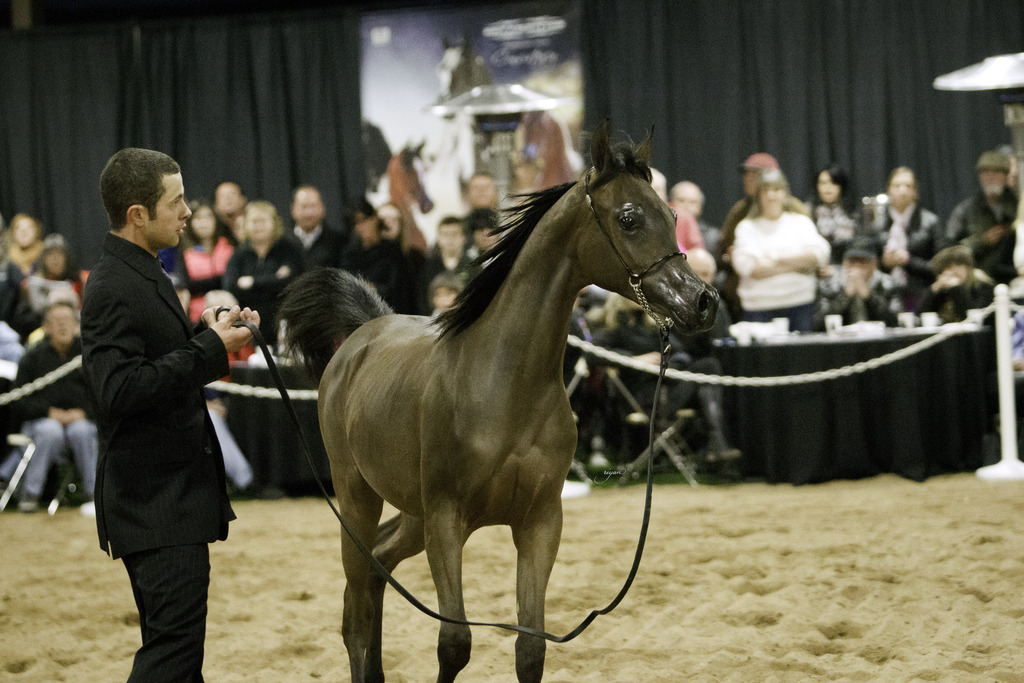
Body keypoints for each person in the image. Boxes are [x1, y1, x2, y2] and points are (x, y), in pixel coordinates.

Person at [82, 147, 258, 681]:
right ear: (138, 214)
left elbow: (154, 363)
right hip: (153, 504)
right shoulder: (113, 285)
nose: (187, 212)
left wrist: (210, 333)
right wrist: (210, 350)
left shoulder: (142, 270)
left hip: (168, 499)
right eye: (176, 201)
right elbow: (117, 390)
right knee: (171, 657)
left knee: (179, 655)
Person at [8, 299, 97, 515]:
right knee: (50, 431)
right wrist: (48, 412)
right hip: (43, 422)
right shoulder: (32, 358)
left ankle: (94, 496)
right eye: (56, 321)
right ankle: (30, 494)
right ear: (46, 327)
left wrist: (83, 412)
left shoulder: (90, 356)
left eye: (67, 320)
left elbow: (102, 394)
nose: (62, 325)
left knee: (84, 431)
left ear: (77, 325)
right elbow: (19, 400)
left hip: (81, 420)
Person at [731, 169, 831, 332]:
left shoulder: (800, 222)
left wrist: (774, 256)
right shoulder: (746, 227)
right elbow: (748, 267)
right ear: (759, 195)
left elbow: (821, 254)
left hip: (800, 305)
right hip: (758, 309)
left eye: (776, 190)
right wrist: (800, 265)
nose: (771, 196)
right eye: (766, 190)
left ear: (785, 193)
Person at [717, 153, 810, 320]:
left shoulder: (796, 209)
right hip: (748, 296)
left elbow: (812, 252)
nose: (748, 179)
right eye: (747, 174)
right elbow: (724, 248)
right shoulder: (739, 211)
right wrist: (728, 257)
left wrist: (775, 260)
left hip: (795, 295)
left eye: (755, 175)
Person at [224, 200, 305, 347]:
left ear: (274, 223)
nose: (258, 226)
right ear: (246, 224)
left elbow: (290, 283)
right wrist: (274, 279)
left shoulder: (288, 249)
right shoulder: (240, 253)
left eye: (263, 221)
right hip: (248, 320)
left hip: (283, 319)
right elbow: (231, 286)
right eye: (254, 221)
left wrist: (252, 282)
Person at [875, 166, 944, 314]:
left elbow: (939, 267)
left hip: (921, 294)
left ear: (915, 192)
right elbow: (869, 264)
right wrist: (884, 263)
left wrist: (908, 261)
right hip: (886, 296)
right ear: (889, 189)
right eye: (897, 186)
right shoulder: (877, 225)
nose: (902, 191)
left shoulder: (930, 222)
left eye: (908, 186)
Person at [947, 150, 1019, 285]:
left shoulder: (1018, 207)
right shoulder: (965, 211)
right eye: (985, 172)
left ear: (1006, 175)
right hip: (979, 284)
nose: (990, 177)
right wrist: (982, 241)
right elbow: (951, 252)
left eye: (996, 172)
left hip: (1016, 281)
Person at [339, 197, 415, 313]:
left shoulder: (393, 250)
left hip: (393, 312)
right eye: (354, 223)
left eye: (363, 220)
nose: (360, 227)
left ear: (374, 218)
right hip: (362, 314)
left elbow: (400, 289)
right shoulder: (349, 255)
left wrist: (372, 288)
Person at [814, 237, 900, 330]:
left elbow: (895, 322)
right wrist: (846, 295)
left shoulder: (888, 284)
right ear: (844, 262)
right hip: (841, 342)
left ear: (874, 263)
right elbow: (818, 324)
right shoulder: (829, 285)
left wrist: (868, 296)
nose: (857, 266)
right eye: (852, 261)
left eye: (862, 261)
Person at [178, 199, 235, 323]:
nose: (203, 222)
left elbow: (232, 282)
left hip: (229, 308)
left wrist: (201, 284)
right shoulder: (185, 252)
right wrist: (218, 280)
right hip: (198, 316)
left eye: (208, 217)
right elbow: (186, 285)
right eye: (198, 218)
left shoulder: (228, 247)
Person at [917, 245, 994, 324]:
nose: (947, 274)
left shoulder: (983, 286)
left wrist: (957, 288)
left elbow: (974, 319)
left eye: (950, 268)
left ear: (963, 266)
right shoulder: (943, 290)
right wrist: (933, 290)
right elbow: (921, 318)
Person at [807, 164, 862, 264]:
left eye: (833, 182)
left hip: (849, 266)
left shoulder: (854, 212)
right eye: (823, 183)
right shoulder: (807, 212)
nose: (828, 188)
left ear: (841, 185)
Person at [418, 214, 472, 315]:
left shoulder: (474, 266)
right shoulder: (428, 266)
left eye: (455, 234)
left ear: (463, 238)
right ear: (439, 238)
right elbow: (422, 298)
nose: (450, 239)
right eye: (446, 234)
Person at [288, 185, 346, 270]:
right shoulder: (282, 241)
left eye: (313, 206)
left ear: (322, 208)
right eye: (303, 206)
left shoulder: (339, 242)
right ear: (292, 209)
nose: (308, 212)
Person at [652, 168, 702, 251]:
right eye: (649, 188)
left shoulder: (683, 217)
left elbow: (696, 252)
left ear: (665, 193)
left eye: (657, 189)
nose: (653, 193)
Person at [671, 180, 721, 258]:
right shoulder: (664, 230)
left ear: (700, 208)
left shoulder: (712, 236)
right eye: (681, 200)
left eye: (692, 202)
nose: (686, 206)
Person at [214, 180, 248, 245]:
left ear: (243, 200)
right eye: (222, 195)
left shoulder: (252, 226)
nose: (228, 198)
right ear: (215, 204)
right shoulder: (213, 232)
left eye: (233, 194)